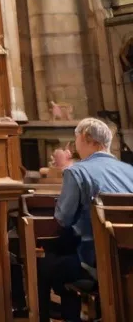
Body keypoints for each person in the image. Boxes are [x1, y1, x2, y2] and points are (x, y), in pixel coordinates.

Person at [37, 116, 133, 322]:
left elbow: (62, 219)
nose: (74, 145)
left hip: (96, 262)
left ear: (86, 138)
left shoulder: (77, 172)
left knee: (44, 267)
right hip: (129, 259)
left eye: (76, 139)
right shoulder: (130, 172)